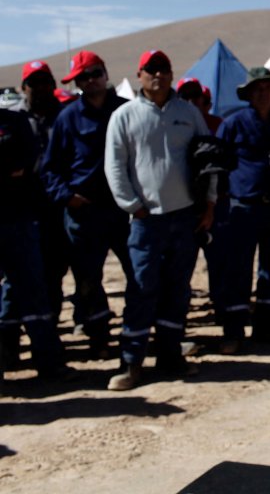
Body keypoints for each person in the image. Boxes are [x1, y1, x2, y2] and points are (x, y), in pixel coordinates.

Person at [104, 49, 216, 391]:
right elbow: (115, 165)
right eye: (151, 70)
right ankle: (131, 362)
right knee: (141, 289)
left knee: (177, 289)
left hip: (185, 217)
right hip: (146, 219)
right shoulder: (125, 115)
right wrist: (132, 206)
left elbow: (208, 158)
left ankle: (170, 356)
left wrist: (209, 204)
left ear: (171, 73)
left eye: (164, 69)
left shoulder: (188, 112)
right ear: (139, 74)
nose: (158, 75)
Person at [40, 50, 131, 359]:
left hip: (125, 210)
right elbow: (50, 168)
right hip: (84, 212)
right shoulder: (68, 117)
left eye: (94, 73)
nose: (90, 81)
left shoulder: (125, 110)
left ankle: (138, 333)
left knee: (140, 272)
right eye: (83, 77)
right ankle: (99, 337)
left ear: (105, 74)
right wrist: (67, 197)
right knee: (88, 279)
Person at [213, 67, 270, 353]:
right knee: (238, 269)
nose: (263, 93)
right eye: (257, 89)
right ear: (248, 94)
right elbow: (218, 164)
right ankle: (233, 330)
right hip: (243, 207)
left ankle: (264, 325)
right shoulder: (233, 124)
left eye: (268, 88)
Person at [0, 105, 74, 381]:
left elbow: (27, 162)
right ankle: (8, 356)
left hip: (18, 221)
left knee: (33, 291)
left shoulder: (15, 122)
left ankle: (48, 362)